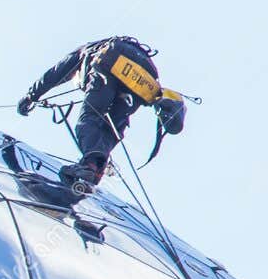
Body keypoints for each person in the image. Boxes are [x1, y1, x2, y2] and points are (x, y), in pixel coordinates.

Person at [16, 35, 188, 190]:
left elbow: (56, 73)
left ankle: (89, 166)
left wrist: (32, 96)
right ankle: (96, 171)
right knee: (112, 128)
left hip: (112, 59)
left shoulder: (84, 52)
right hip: (145, 76)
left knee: (90, 117)